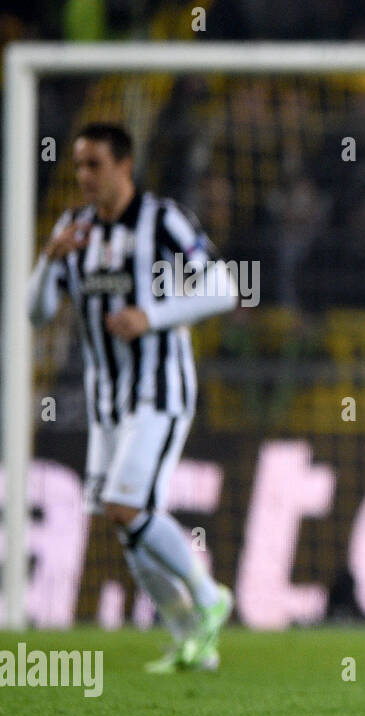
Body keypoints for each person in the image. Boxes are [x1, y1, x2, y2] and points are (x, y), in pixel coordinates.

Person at [26, 123, 236, 672]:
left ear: (125, 165)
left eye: (94, 164)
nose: (84, 176)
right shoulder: (73, 230)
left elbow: (223, 288)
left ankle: (208, 596)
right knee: (130, 529)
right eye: (77, 165)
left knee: (127, 508)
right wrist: (49, 259)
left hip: (159, 390)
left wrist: (153, 316)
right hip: (107, 403)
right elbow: (36, 314)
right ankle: (192, 638)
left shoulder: (161, 220)